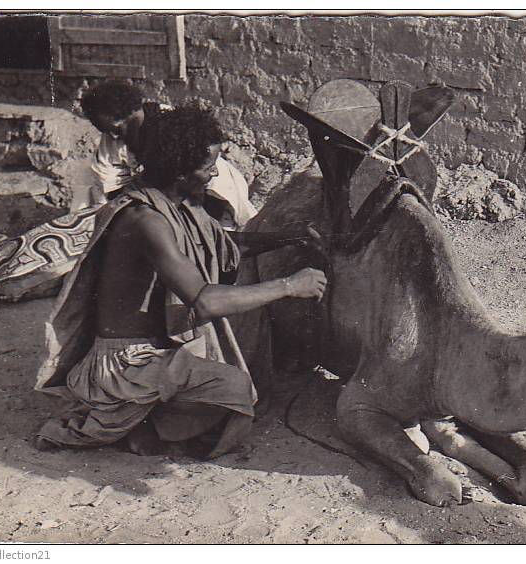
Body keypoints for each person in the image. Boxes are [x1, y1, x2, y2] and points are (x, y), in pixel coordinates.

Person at [33, 105, 328, 459]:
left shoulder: (176, 206)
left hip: (150, 350)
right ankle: (146, 428)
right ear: (180, 171)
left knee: (233, 364)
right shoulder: (145, 220)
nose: (214, 172)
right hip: (125, 364)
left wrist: (290, 238)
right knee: (235, 387)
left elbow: (223, 245)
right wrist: (289, 286)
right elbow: (203, 300)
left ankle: (147, 417)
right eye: (207, 167)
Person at [79, 80, 257, 231]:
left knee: (211, 228)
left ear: (126, 117)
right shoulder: (113, 137)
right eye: (109, 131)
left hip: (204, 188)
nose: (114, 136)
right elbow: (109, 180)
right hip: (162, 196)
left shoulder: (172, 127)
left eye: (117, 129)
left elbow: (197, 178)